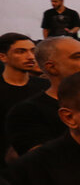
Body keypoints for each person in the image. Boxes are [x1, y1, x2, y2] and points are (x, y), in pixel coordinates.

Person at [0, 32, 48, 162]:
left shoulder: (46, 86)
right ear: (3, 56)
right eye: (21, 52)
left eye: (33, 51)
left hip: (41, 159)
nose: (30, 57)